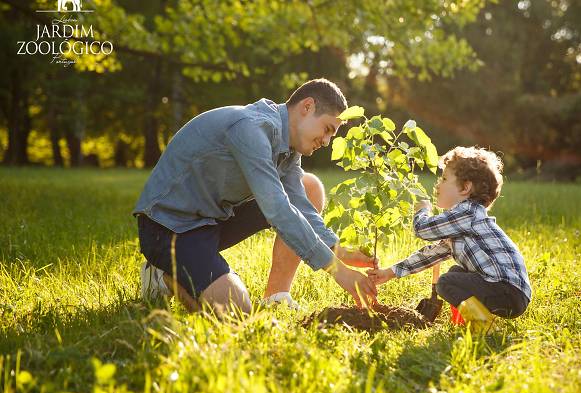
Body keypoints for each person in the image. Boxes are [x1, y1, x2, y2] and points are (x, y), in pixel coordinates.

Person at [133, 78, 377, 314]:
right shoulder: (251, 128)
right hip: (168, 227)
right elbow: (278, 209)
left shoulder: (289, 148)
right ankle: (161, 277)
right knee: (235, 311)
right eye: (327, 130)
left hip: (211, 220)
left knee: (309, 187)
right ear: (307, 106)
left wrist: (338, 250)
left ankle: (277, 297)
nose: (325, 141)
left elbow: (300, 205)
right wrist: (337, 271)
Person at [367, 147, 532, 329]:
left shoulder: (467, 212)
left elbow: (422, 229)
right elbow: (430, 254)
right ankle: (465, 322)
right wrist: (389, 272)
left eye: (444, 179)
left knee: (446, 283)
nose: (438, 184)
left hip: (507, 290)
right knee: (455, 273)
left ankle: (485, 327)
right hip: (509, 291)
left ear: (465, 188)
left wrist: (422, 210)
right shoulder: (462, 222)